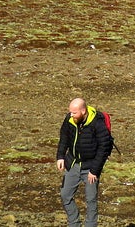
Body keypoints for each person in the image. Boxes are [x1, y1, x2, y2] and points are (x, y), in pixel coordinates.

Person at [56, 97, 113, 227]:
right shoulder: (69, 119)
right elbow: (64, 137)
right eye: (70, 112)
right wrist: (60, 156)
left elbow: (103, 148)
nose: (71, 115)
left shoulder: (98, 124)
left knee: (91, 199)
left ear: (83, 111)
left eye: (74, 113)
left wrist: (94, 171)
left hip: (91, 167)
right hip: (73, 163)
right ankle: (74, 223)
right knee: (65, 195)